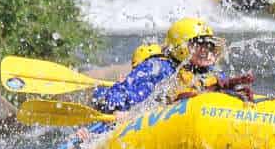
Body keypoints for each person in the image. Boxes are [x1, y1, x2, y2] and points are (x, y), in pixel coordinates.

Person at [91, 18, 223, 114]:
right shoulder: (159, 68)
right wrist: (117, 111)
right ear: (180, 45)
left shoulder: (211, 74)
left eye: (210, 45)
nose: (207, 50)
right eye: (200, 44)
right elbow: (120, 96)